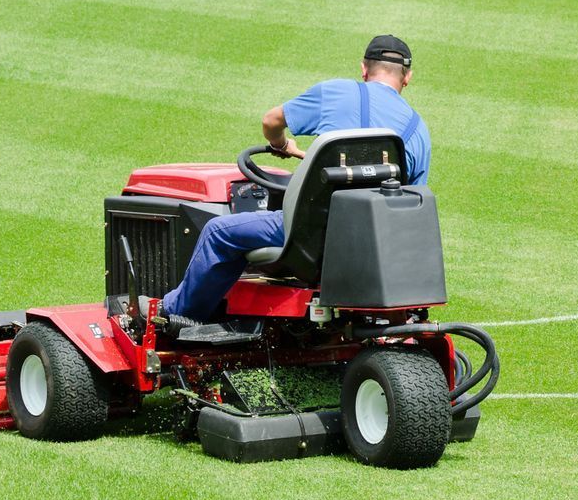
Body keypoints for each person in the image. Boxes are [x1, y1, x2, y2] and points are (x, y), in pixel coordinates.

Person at [143, 35, 431, 329]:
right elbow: (405, 198)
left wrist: (280, 145)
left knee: (218, 232)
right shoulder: (417, 130)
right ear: (407, 77)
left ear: (363, 69)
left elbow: (271, 121)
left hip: (314, 237)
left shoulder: (335, 92)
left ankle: (175, 312)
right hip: (374, 245)